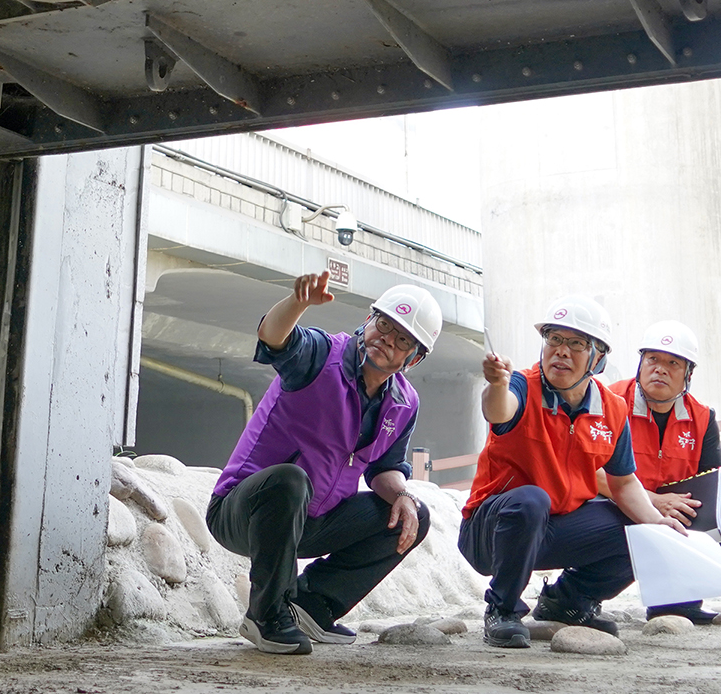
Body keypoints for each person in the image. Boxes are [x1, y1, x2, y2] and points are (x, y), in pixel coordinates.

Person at [205, 272, 440, 655]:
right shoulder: (320, 356)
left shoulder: (404, 403)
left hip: (315, 522)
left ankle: (312, 605)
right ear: (367, 320)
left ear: (414, 358)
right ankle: (266, 615)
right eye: (383, 325)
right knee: (290, 480)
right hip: (246, 512)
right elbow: (274, 338)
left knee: (413, 512)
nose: (386, 339)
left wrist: (401, 495)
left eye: (402, 340)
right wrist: (297, 303)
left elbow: (384, 469)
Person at [457, 295, 686, 649]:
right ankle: (502, 609)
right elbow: (499, 411)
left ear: (599, 357)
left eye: (576, 343)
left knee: (637, 528)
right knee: (532, 500)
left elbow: (623, 483)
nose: (561, 351)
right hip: (493, 530)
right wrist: (497, 385)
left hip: (555, 527)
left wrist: (656, 524)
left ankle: (568, 602)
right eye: (554, 339)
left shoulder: (612, 408)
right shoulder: (521, 384)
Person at [596, 320, 721, 624]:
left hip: (671, 505)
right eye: (652, 360)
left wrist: (688, 506)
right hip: (616, 500)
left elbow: (713, 480)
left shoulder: (702, 417)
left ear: (688, 374)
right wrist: (651, 502)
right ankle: (571, 597)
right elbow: (587, 470)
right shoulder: (610, 401)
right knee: (622, 526)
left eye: (673, 363)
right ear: (640, 364)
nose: (660, 369)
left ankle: (677, 605)